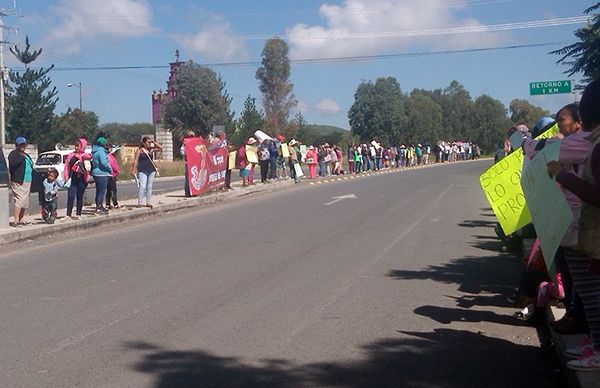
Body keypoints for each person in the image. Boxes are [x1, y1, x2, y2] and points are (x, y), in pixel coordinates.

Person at [547, 80, 600, 371]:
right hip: (589, 230)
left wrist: (566, 179)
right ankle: (594, 342)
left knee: (592, 293)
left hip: (590, 232)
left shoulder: (597, 147)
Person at [8, 136, 33, 226]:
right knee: (20, 200)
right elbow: (13, 165)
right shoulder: (14, 154)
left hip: (27, 180)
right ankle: (16, 219)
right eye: (20, 145)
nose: (22, 146)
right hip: (18, 181)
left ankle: (21, 218)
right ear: (17, 145)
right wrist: (21, 158)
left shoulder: (26, 155)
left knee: (25, 201)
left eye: (24, 144)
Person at [64, 138, 91, 220]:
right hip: (73, 178)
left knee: (80, 196)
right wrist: (66, 176)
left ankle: (79, 213)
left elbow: (88, 162)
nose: (76, 148)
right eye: (75, 146)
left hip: (82, 179)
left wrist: (81, 157)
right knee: (71, 196)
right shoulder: (70, 155)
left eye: (78, 146)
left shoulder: (85, 156)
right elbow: (67, 167)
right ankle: (68, 214)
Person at [131, 136, 161, 208]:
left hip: (151, 170)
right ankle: (140, 203)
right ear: (143, 143)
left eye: (150, 142)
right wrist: (134, 169)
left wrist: (154, 142)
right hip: (142, 170)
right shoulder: (139, 150)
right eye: (148, 142)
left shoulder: (151, 150)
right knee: (143, 186)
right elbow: (136, 160)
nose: (149, 144)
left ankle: (148, 202)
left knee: (149, 186)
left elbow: (161, 148)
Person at [91, 137, 113, 214]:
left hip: (96, 172)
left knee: (98, 191)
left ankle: (99, 205)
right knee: (101, 191)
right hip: (102, 173)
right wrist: (110, 169)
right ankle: (99, 208)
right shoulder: (101, 152)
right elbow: (104, 163)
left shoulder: (95, 151)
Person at [180, 130, 196, 197]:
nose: (192, 137)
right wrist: (185, 145)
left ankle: (194, 191)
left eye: (193, 136)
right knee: (188, 178)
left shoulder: (195, 143)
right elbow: (182, 152)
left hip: (195, 163)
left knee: (195, 177)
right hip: (188, 163)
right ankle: (188, 192)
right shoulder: (185, 143)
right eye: (190, 136)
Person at [105, 143, 120, 209]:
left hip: (106, 175)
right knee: (113, 190)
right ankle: (115, 203)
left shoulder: (104, 156)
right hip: (112, 175)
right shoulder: (110, 157)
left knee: (108, 191)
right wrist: (117, 171)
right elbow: (113, 166)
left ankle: (107, 203)